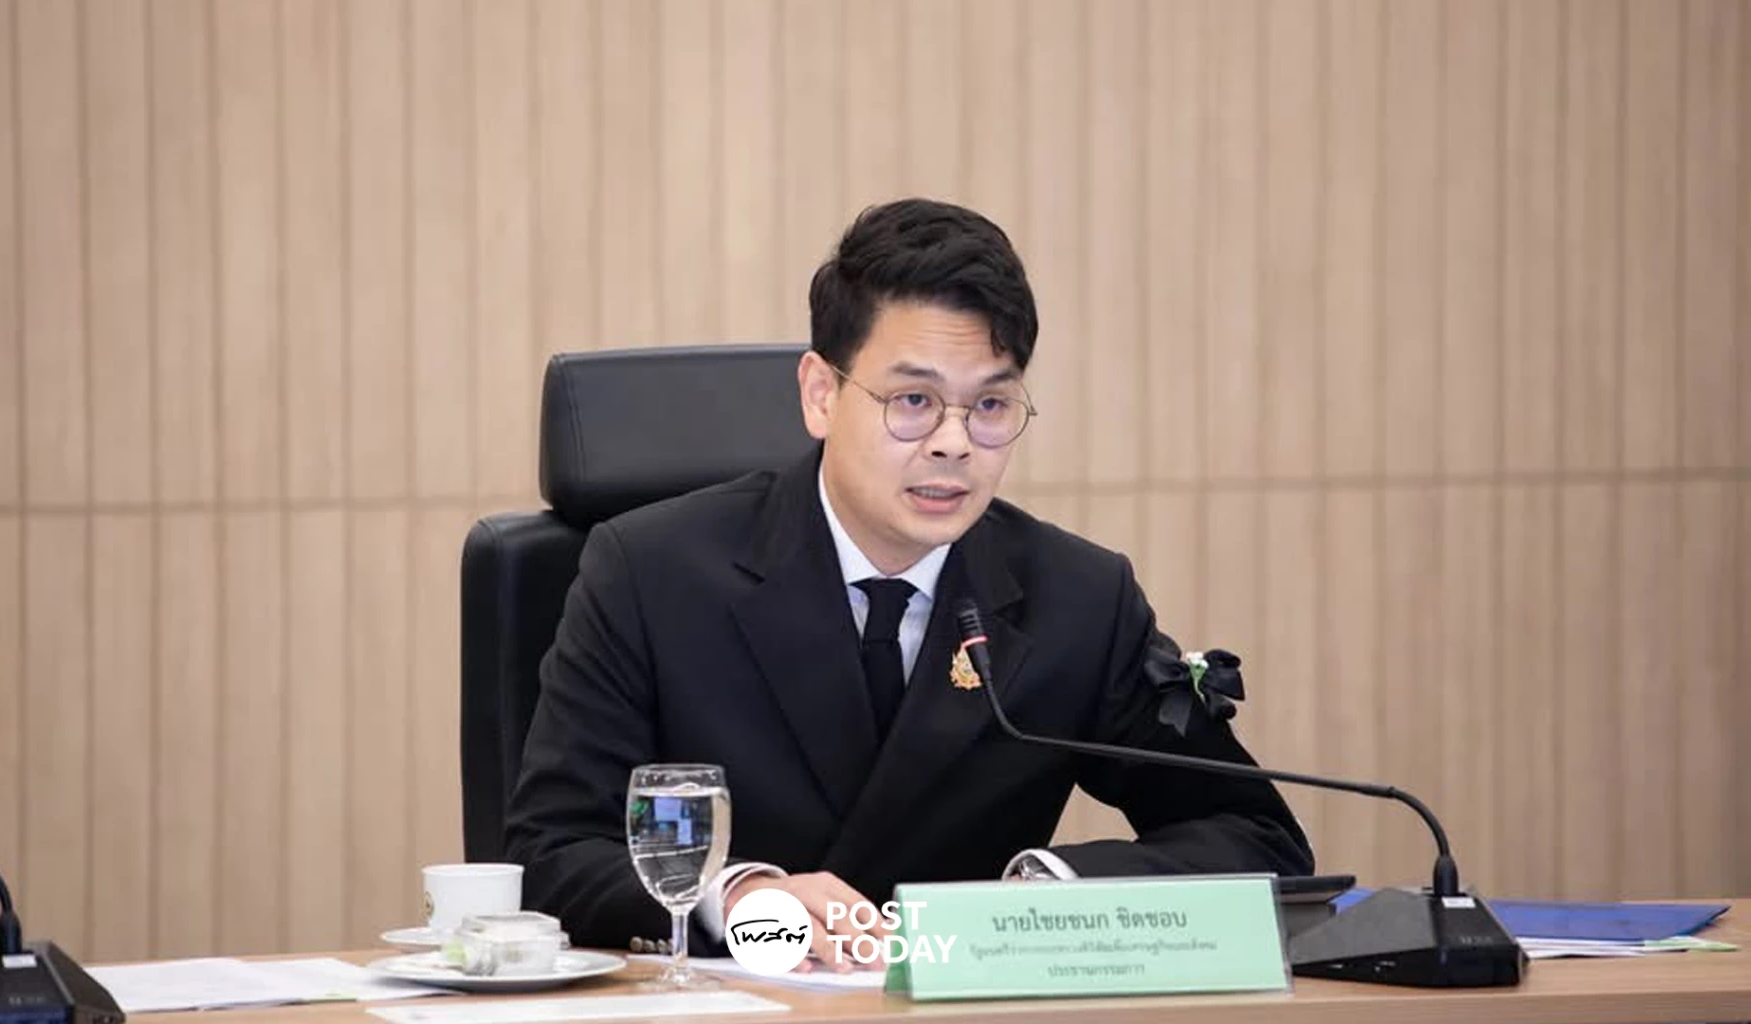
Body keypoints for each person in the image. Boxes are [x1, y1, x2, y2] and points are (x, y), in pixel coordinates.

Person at [505, 198, 1312, 969]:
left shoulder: (1077, 599)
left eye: (990, 404)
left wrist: (1054, 896)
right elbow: (551, 852)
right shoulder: (651, 574)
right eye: (914, 400)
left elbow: (1254, 837)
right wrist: (740, 896)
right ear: (821, 395)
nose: (955, 443)